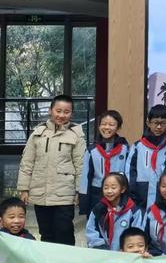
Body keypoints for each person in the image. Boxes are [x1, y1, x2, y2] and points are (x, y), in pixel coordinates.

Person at [17, 94, 86, 245]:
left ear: (71, 113)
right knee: (46, 233)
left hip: (64, 194)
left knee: (64, 231)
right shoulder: (38, 133)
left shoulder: (76, 135)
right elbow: (27, 162)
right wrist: (24, 189)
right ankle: (47, 260)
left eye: (66, 112)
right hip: (40, 192)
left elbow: (81, 165)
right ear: (50, 110)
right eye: (58, 111)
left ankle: (66, 259)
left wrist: (80, 191)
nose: (61, 115)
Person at [79, 110, 129, 217]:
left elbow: (128, 174)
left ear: (118, 127)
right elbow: (85, 177)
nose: (106, 127)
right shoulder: (92, 150)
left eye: (111, 124)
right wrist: (83, 201)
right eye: (103, 124)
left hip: (118, 194)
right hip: (96, 195)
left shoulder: (125, 149)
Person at [128, 104, 166, 209]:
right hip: (140, 193)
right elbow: (130, 171)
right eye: (155, 123)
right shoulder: (138, 146)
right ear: (148, 123)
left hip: (165, 192)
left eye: (163, 123)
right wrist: (132, 193)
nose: (159, 127)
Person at [86, 173, 142, 250]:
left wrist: (128, 248)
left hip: (125, 252)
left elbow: (137, 234)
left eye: (113, 187)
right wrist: (100, 246)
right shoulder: (98, 209)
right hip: (103, 252)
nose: (109, 191)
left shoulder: (133, 211)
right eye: (106, 188)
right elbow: (91, 231)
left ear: (122, 189)